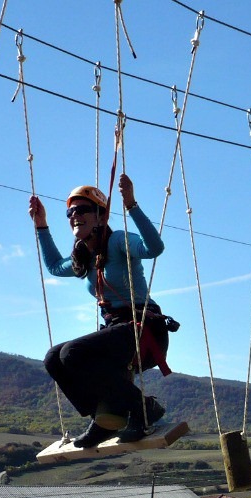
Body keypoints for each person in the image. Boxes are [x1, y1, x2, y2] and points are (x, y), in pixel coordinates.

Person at [28, 174, 175, 448]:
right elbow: (53, 267)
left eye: (82, 210)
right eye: (70, 213)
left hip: (143, 328)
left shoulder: (118, 241)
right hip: (117, 332)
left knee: (73, 353)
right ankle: (105, 418)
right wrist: (41, 226)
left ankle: (144, 409)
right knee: (53, 358)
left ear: (100, 217)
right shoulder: (83, 257)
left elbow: (155, 248)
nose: (74, 216)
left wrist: (131, 205)